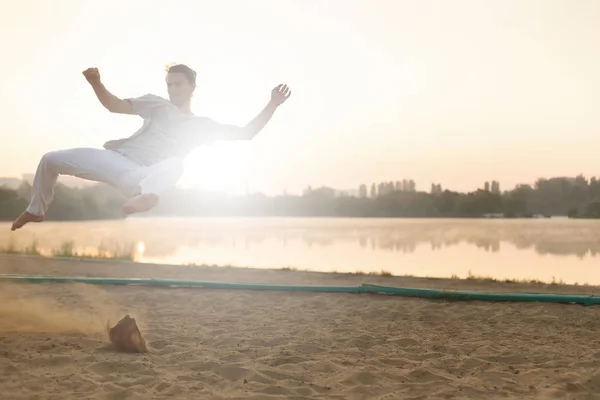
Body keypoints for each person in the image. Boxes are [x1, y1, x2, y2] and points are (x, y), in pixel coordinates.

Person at [10, 64, 291, 231]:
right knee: (51, 159)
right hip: (117, 160)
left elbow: (246, 133)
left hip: (145, 176)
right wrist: (96, 83)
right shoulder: (157, 104)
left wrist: (273, 104)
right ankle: (37, 209)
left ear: (193, 86)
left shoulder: (202, 125)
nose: (173, 89)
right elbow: (114, 105)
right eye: (169, 84)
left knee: (176, 164)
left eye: (178, 84)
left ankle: (144, 197)